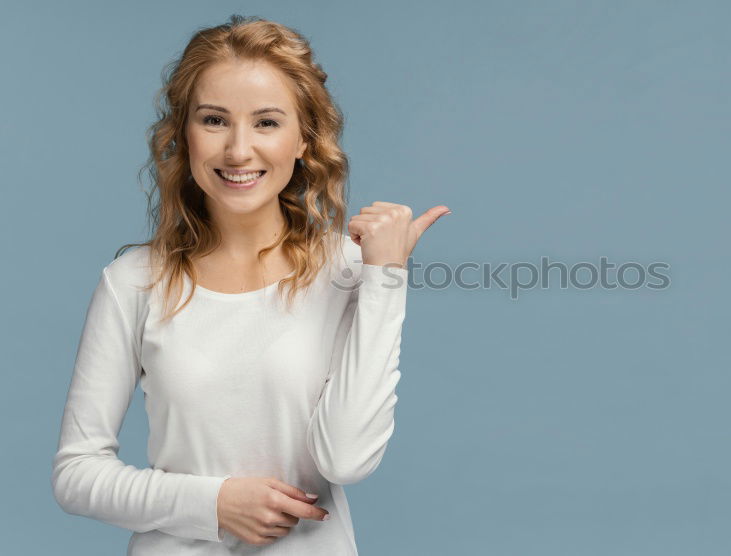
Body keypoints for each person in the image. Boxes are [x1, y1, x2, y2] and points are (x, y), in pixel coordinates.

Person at [51, 14, 449, 555]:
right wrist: (212, 504)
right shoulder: (134, 282)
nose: (239, 151)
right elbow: (76, 475)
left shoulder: (350, 270)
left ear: (305, 139)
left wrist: (386, 278)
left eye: (266, 123)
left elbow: (347, 460)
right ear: (183, 134)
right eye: (214, 120)